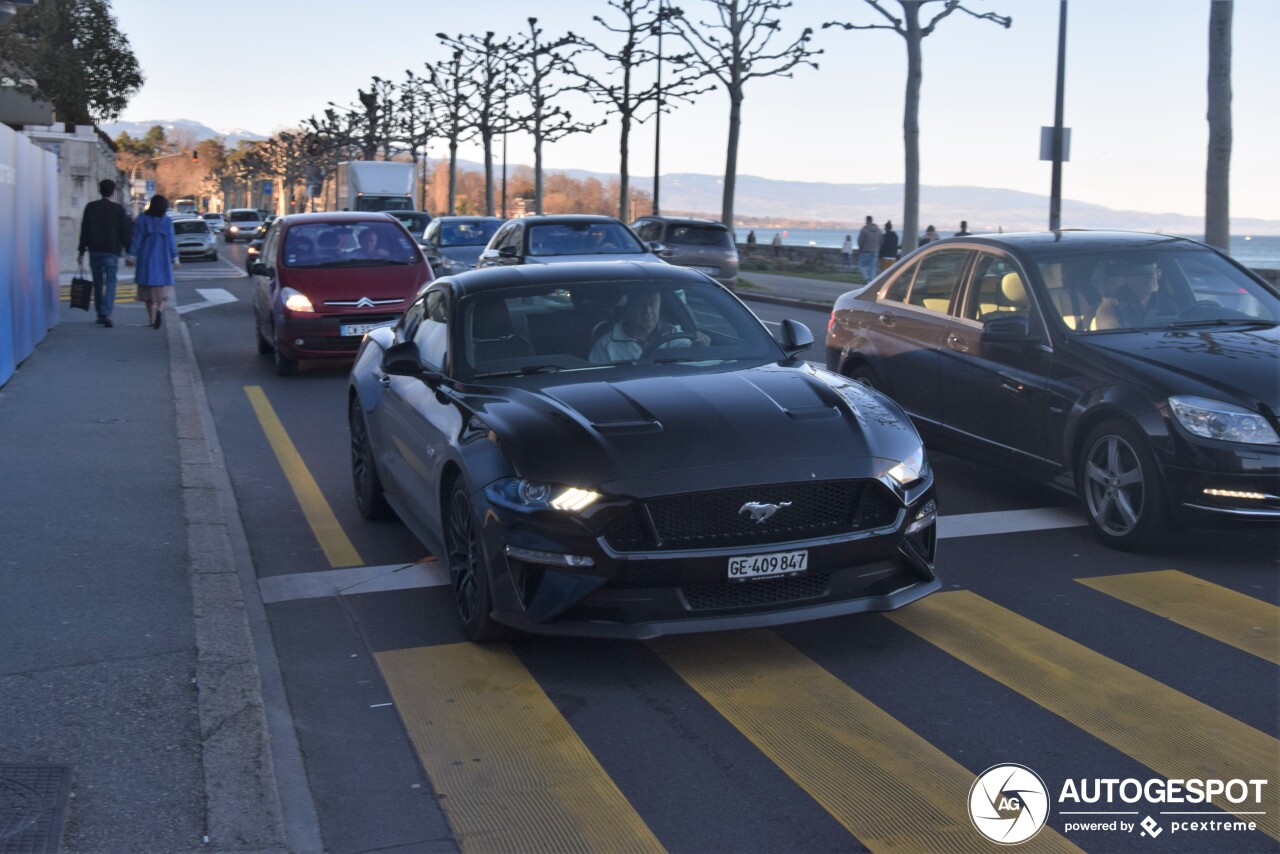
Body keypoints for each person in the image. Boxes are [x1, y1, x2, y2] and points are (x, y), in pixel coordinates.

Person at [589, 291, 709, 363]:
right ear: (630, 309)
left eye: (652, 303)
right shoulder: (606, 345)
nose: (648, 311)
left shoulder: (674, 335)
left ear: (659, 305)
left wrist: (701, 345)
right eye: (641, 305)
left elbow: (694, 362)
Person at [76, 179, 134, 328]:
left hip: (94, 250)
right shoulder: (118, 210)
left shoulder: (91, 207)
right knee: (111, 281)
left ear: (99, 190)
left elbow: (85, 230)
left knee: (97, 282)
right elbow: (125, 232)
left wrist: (81, 251)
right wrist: (129, 253)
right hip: (112, 251)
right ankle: (106, 312)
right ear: (113, 192)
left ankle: (100, 313)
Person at [129, 194, 179, 329]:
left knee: (147, 292)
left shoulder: (142, 220)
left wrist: (131, 256)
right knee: (163, 289)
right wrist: (175, 258)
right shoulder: (167, 221)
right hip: (162, 259)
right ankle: (160, 310)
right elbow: (171, 241)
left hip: (146, 258)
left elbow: (137, 239)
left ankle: (151, 319)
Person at [1092, 260, 1161, 330]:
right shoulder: (1111, 307)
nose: (1151, 276)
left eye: (1153, 272)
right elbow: (1114, 339)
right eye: (1143, 272)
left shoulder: (1166, 302)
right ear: (1128, 278)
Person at [856, 216, 882, 283]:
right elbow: (881, 241)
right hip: (875, 251)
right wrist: (878, 248)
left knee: (862, 266)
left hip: (865, 251)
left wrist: (860, 249)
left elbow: (860, 241)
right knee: (873, 268)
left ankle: (867, 279)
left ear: (867, 220)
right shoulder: (878, 230)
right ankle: (873, 281)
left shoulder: (864, 230)